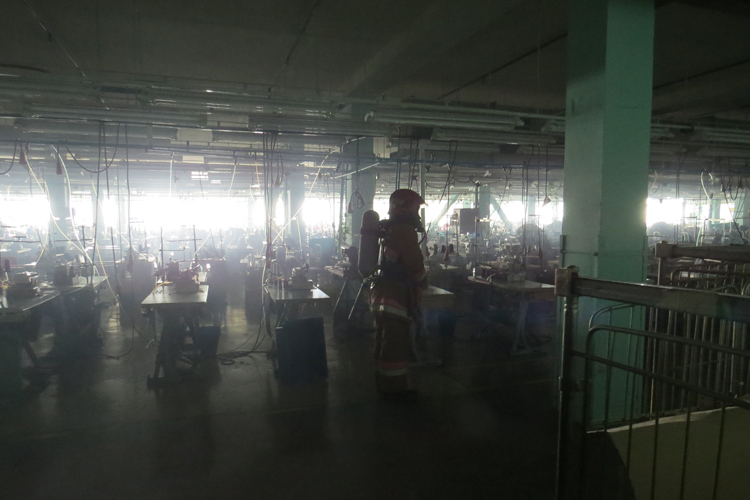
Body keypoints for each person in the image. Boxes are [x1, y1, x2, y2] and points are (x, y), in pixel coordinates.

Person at [370, 189, 427, 400]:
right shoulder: (404, 230)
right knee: (395, 344)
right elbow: (414, 262)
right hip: (396, 295)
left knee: (383, 341)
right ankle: (395, 389)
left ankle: (383, 383)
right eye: (416, 206)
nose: (417, 211)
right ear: (406, 207)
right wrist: (423, 280)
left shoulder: (388, 228)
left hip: (381, 292)